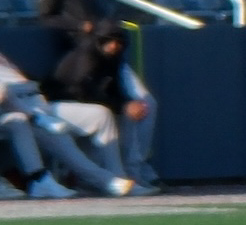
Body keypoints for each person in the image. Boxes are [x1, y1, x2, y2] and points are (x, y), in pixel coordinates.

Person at [35, 0, 160, 185]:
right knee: (129, 105)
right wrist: (79, 25)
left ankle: (135, 167)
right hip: (86, 54)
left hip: (107, 53)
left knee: (143, 104)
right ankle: (131, 170)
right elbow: (45, 18)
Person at [0, 50, 149, 197]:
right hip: (17, 109)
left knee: (100, 114)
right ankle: (105, 181)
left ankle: (117, 174)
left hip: (38, 100)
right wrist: (32, 115)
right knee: (57, 134)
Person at [46, 18, 160, 187]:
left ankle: (132, 174)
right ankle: (117, 177)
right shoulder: (87, 55)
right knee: (104, 114)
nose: (114, 45)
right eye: (109, 40)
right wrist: (122, 105)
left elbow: (113, 91)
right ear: (99, 40)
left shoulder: (113, 59)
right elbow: (82, 91)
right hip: (55, 106)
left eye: (118, 41)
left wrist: (127, 105)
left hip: (84, 107)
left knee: (134, 110)